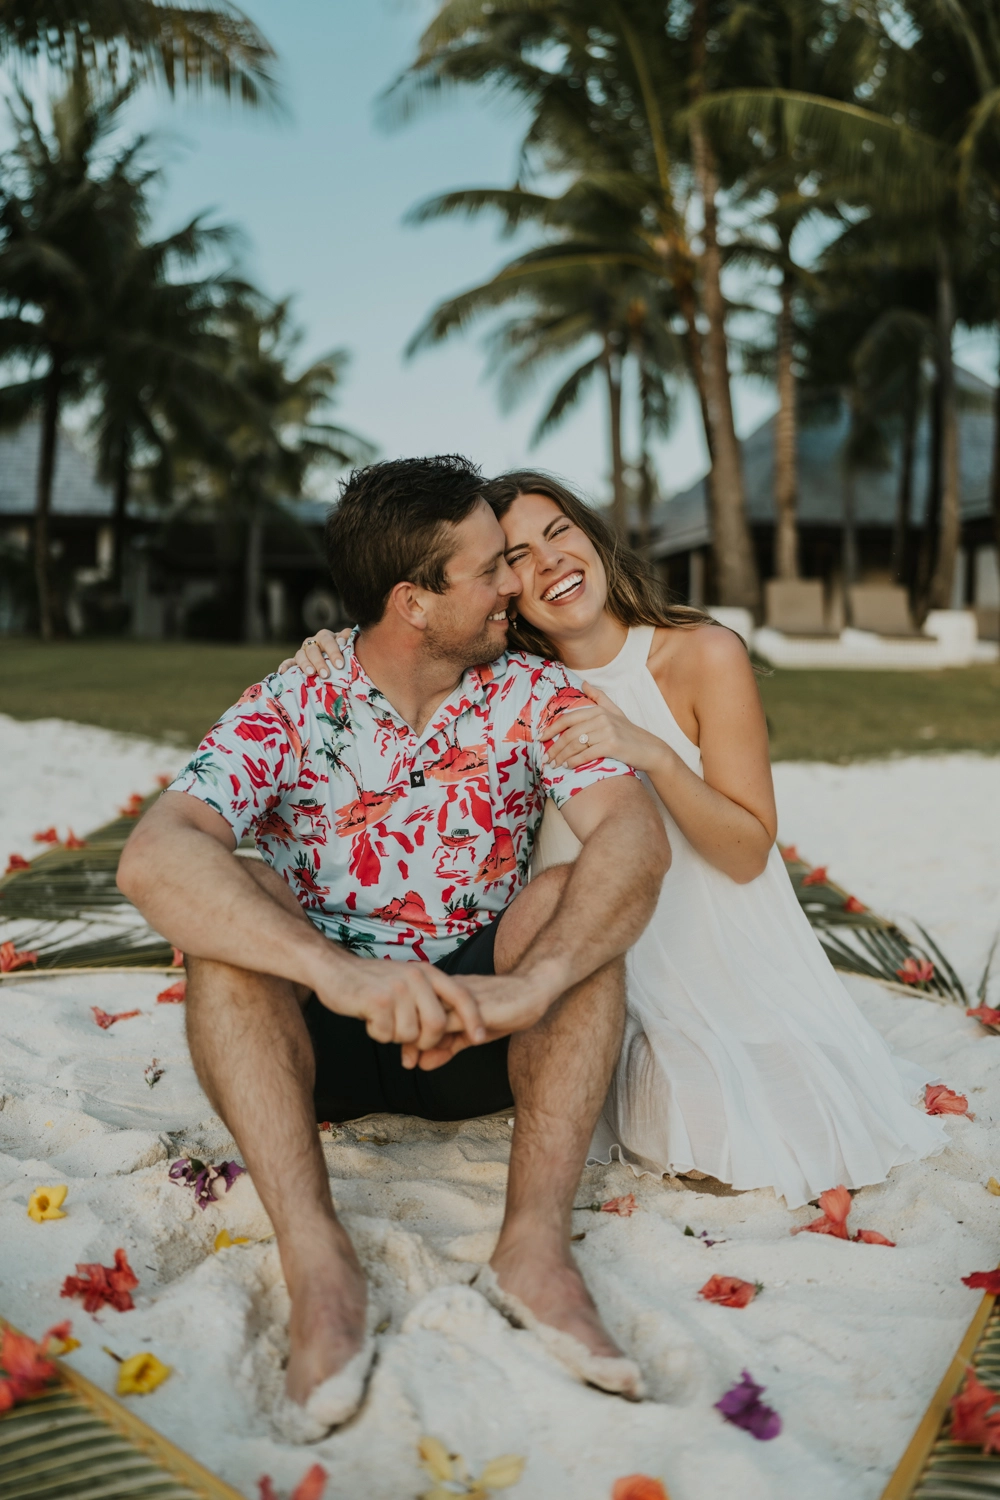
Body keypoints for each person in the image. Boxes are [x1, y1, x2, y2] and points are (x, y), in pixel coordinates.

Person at [117, 455, 670, 1440]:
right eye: (489, 568)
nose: (514, 585)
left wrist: (532, 982)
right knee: (231, 897)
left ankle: (533, 1249)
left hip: (480, 1028)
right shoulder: (290, 702)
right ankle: (318, 1260)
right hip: (316, 1036)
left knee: (561, 904)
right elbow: (154, 857)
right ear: (413, 600)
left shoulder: (532, 695)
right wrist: (340, 973)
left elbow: (632, 835)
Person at [290, 470, 946, 1212]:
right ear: (500, 584)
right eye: (516, 555)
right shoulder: (507, 676)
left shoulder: (702, 654)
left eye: (559, 532)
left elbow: (747, 851)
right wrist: (330, 649)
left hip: (714, 943)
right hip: (595, 952)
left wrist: (655, 753)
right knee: (652, 1107)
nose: (549, 564)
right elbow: (406, 637)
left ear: (593, 535)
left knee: (762, 1126)